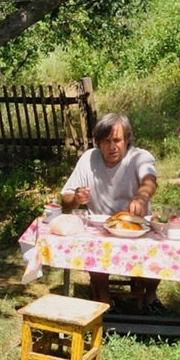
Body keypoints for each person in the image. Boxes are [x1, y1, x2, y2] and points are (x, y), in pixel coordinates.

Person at [59, 112, 164, 312]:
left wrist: (141, 197)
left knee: (157, 246)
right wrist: (76, 198)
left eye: (117, 140)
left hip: (137, 228)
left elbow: (150, 180)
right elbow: (65, 201)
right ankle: (105, 299)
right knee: (93, 245)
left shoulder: (139, 156)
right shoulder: (89, 159)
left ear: (127, 140)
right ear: (98, 143)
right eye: (106, 141)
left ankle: (150, 297)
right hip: (101, 230)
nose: (112, 146)